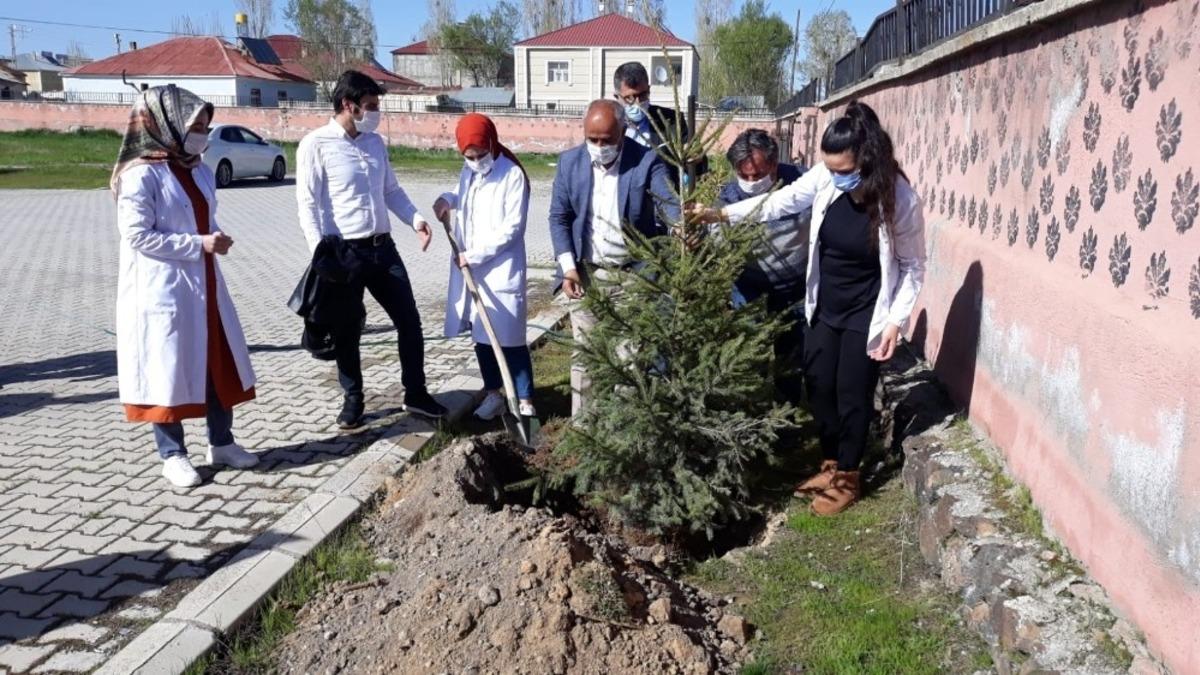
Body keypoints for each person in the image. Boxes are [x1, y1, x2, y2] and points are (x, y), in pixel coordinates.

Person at [688, 100, 926, 516]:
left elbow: (912, 265)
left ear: (867, 161)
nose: (834, 178)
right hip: (823, 304)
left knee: (852, 393)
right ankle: (830, 462)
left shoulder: (898, 199)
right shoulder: (827, 178)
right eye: (829, 170)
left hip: (866, 310)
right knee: (818, 386)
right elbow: (781, 203)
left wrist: (894, 322)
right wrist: (719, 214)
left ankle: (849, 476)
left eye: (843, 171)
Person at [112, 85, 260, 488]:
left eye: (206, 125)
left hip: (205, 281)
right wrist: (198, 243)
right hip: (163, 289)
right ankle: (172, 453)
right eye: (195, 125)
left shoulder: (199, 168)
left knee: (217, 360)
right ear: (167, 124)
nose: (202, 134)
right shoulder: (141, 175)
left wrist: (215, 236)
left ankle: (222, 442)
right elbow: (138, 235)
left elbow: (202, 218)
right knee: (168, 367)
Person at [296, 70, 447, 429]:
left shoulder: (375, 143)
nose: (376, 112)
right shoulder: (315, 145)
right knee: (347, 330)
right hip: (343, 254)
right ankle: (353, 399)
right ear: (348, 105)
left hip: (383, 250)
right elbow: (308, 204)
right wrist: (320, 253)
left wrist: (416, 220)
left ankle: (416, 394)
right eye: (370, 106)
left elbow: (391, 190)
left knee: (409, 320)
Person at [549, 99, 678, 414]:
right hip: (585, 276)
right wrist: (568, 268)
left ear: (623, 131)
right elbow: (559, 218)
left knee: (629, 357)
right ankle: (585, 428)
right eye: (592, 139)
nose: (599, 147)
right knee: (586, 356)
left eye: (607, 140)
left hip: (633, 276)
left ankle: (623, 425)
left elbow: (667, 201)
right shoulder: (570, 163)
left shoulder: (646, 161)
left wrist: (681, 226)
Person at [432, 114, 535, 420]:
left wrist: (474, 255)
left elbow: (512, 228)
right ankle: (493, 394)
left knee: (511, 339)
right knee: (482, 338)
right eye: (469, 156)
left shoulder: (512, 175)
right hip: (473, 271)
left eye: (481, 155)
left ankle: (525, 398)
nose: (476, 161)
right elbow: (462, 195)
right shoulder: (470, 172)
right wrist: (446, 199)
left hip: (501, 270)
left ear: (492, 143)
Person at [717, 129, 810, 403]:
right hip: (748, 289)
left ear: (774, 163)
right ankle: (752, 417)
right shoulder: (729, 197)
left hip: (796, 288)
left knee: (790, 360)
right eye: (743, 175)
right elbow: (718, 239)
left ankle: (786, 421)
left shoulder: (802, 182)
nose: (750, 182)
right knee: (750, 357)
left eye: (757, 175)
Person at [612, 61, 706, 183]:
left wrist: (695, 157)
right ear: (617, 96)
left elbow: (698, 167)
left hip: (665, 195)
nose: (638, 103)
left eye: (643, 95)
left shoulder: (672, 121)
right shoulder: (608, 125)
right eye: (630, 98)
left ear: (649, 89)